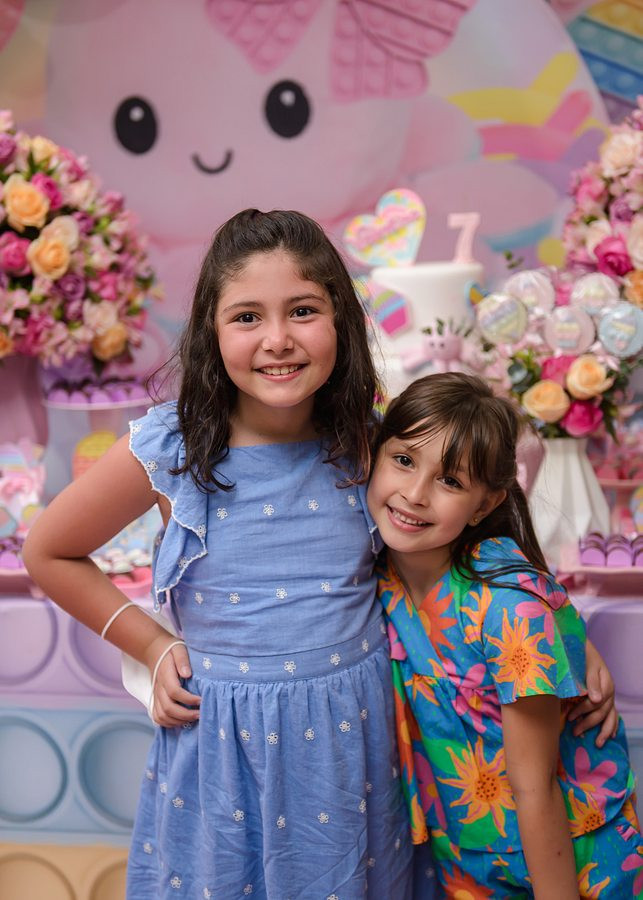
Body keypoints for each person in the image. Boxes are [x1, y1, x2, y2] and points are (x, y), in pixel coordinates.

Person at [23, 209, 615, 900]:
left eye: (302, 311)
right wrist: (152, 647)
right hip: (225, 750)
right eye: (247, 317)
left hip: (353, 747)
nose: (277, 339)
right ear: (212, 330)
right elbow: (48, 552)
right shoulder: (171, 449)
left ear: (341, 320)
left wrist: (562, 633)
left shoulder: (371, 443)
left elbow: (455, 539)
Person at [367, 371, 643, 898]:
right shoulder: (380, 571)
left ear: (486, 504)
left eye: (451, 482)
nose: (414, 494)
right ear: (373, 454)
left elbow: (535, 788)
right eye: (403, 460)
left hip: (573, 859)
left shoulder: (509, 609)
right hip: (467, 858)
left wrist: (568, 633)